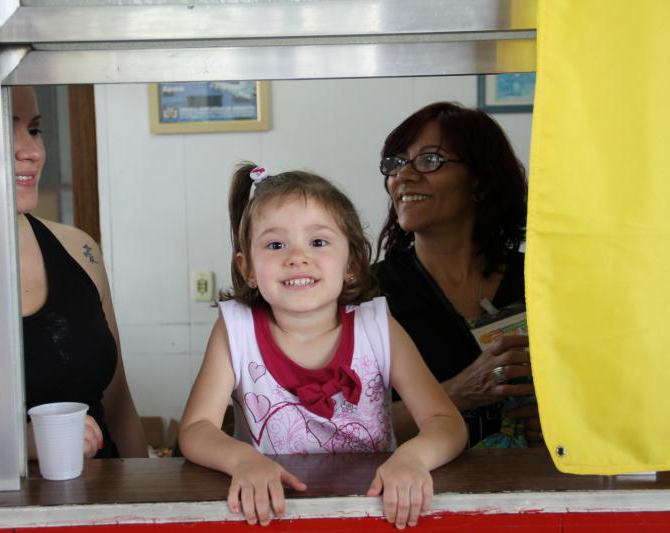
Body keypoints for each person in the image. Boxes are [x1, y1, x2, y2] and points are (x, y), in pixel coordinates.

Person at [179, 163, 467, 529]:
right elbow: (196, 428)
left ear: (351, 263)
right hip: (273, 515)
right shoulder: (235, 331)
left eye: (318, 242)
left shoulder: (379, 328)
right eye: (275, 245)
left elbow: (447, 423)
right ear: (248, 267)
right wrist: (242, 461)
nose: (297, 257)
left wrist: (413, 458)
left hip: (375, 513)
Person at [373, 101, 538, 447]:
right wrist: (459, 393)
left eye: (430, 160)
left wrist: (558, 423)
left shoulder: (540, 282)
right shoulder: (370, 294)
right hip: (416, 480)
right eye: (396, 162)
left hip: (529, 478)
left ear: (480, 181)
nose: (403, 175)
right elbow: (351, 431)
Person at [12, 86, 147, 459]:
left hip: (103, 492)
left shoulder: (79, 250)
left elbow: (120, 409)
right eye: (7, 129)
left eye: (35, 129)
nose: (33, 151)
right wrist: (12, 445)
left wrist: (144, 490)